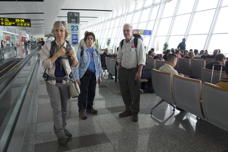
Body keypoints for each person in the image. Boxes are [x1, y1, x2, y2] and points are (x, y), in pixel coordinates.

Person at [40, 21, 78, 146]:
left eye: (61, 30)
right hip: (52, 82)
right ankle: (60, 134)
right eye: (56, 30)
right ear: (53, 32)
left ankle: (62, 127)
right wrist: (56, 55)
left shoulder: (69, 46)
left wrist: (73, 57)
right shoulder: (48, 45)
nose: (59, 33)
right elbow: (45, 64)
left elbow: (75, 64)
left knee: (65, 109)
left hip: (66, 82)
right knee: (57, 109)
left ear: (65, 32)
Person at [117, 23, 146, 122]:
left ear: (132, 31)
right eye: (124, 31)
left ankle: (135, 113)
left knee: (135, 93)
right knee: (124, 92)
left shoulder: (138, 42)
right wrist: (119, 66)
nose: (125, 32)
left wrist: (139, 71)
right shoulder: (122, 43)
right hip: (123, 71)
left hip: (134, 71)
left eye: (127, 30)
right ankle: (128, 109)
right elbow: (119, 56)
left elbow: (142, 58)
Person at [74, 32, 102, 120]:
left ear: (93, 40)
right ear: (85, 40)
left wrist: (99, 75)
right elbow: (75, 65)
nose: (90, 40)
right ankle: (82, 110)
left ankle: (89, 108)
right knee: (83, 93)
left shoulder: (95, 51)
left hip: (93, 75)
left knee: (92, 92)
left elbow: (98, 64)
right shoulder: (81, 50)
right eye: (88, 39)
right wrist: (77, 77)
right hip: (84, 74)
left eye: (91, 39)